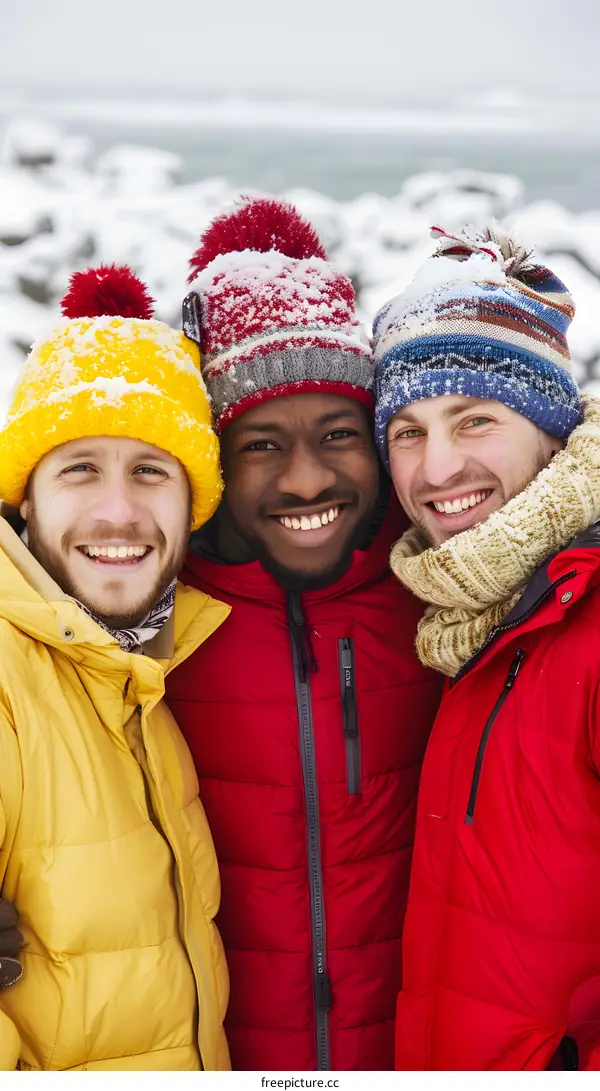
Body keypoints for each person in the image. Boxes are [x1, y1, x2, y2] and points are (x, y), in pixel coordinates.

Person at [165, 197, 443, 1071]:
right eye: (260, 445)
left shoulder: (443, 589)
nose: (307, 480)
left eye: (338, 434)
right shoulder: (150, 620)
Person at [373, 224, 600, 1071]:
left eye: (475, 420)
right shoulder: (465, 621)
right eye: (408, 431)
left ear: (551, 429)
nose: (437, 470)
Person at [0, 264, 230, 1071]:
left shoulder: (144, 672)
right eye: (80, 468)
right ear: (26, 497)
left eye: (150, 470)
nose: (120, 512)